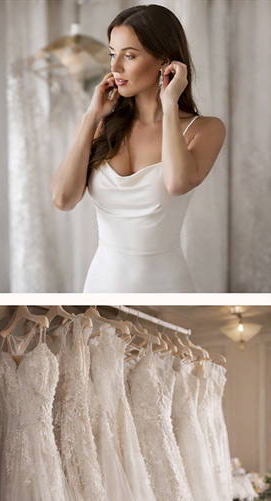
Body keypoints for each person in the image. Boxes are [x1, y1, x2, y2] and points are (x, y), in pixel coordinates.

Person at [51, 4, 225, 293]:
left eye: (129, 56)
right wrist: (91, 116)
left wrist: (169, 104)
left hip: (167, 286)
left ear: (164, 62)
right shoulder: (102, 126)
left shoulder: (206, 129)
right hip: (101, 283)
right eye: (112, 54)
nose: (115, 67)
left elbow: (177, 182)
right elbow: (62, 199)